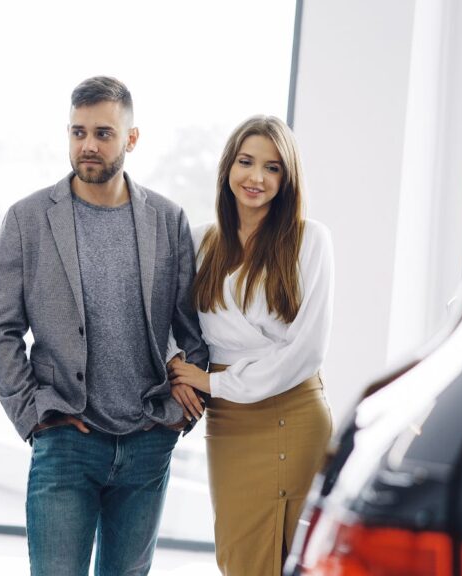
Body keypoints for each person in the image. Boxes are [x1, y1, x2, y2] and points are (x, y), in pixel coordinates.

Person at [0, 76, 207, 576]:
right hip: (64, 439)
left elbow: (192, 329)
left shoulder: (168, 220)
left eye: (103, 133)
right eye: (78, 131)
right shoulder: (28, 218)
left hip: (148, 438)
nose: (88, 144)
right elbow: (0, 329)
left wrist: (177, 413)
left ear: (131, 139)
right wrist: (33, 414)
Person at [168, 115, 334, 576]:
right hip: (230, 422)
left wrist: (213, 381)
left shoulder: (309, 241)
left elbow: (307, 351)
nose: (256, 177)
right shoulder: (200, 241)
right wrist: (176, 364)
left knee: (304, 558)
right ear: (228, 168)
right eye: (246, 162)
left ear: (287, 178)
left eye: (273, 167)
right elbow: (162, 318)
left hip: (296, 413)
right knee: (239, 557)